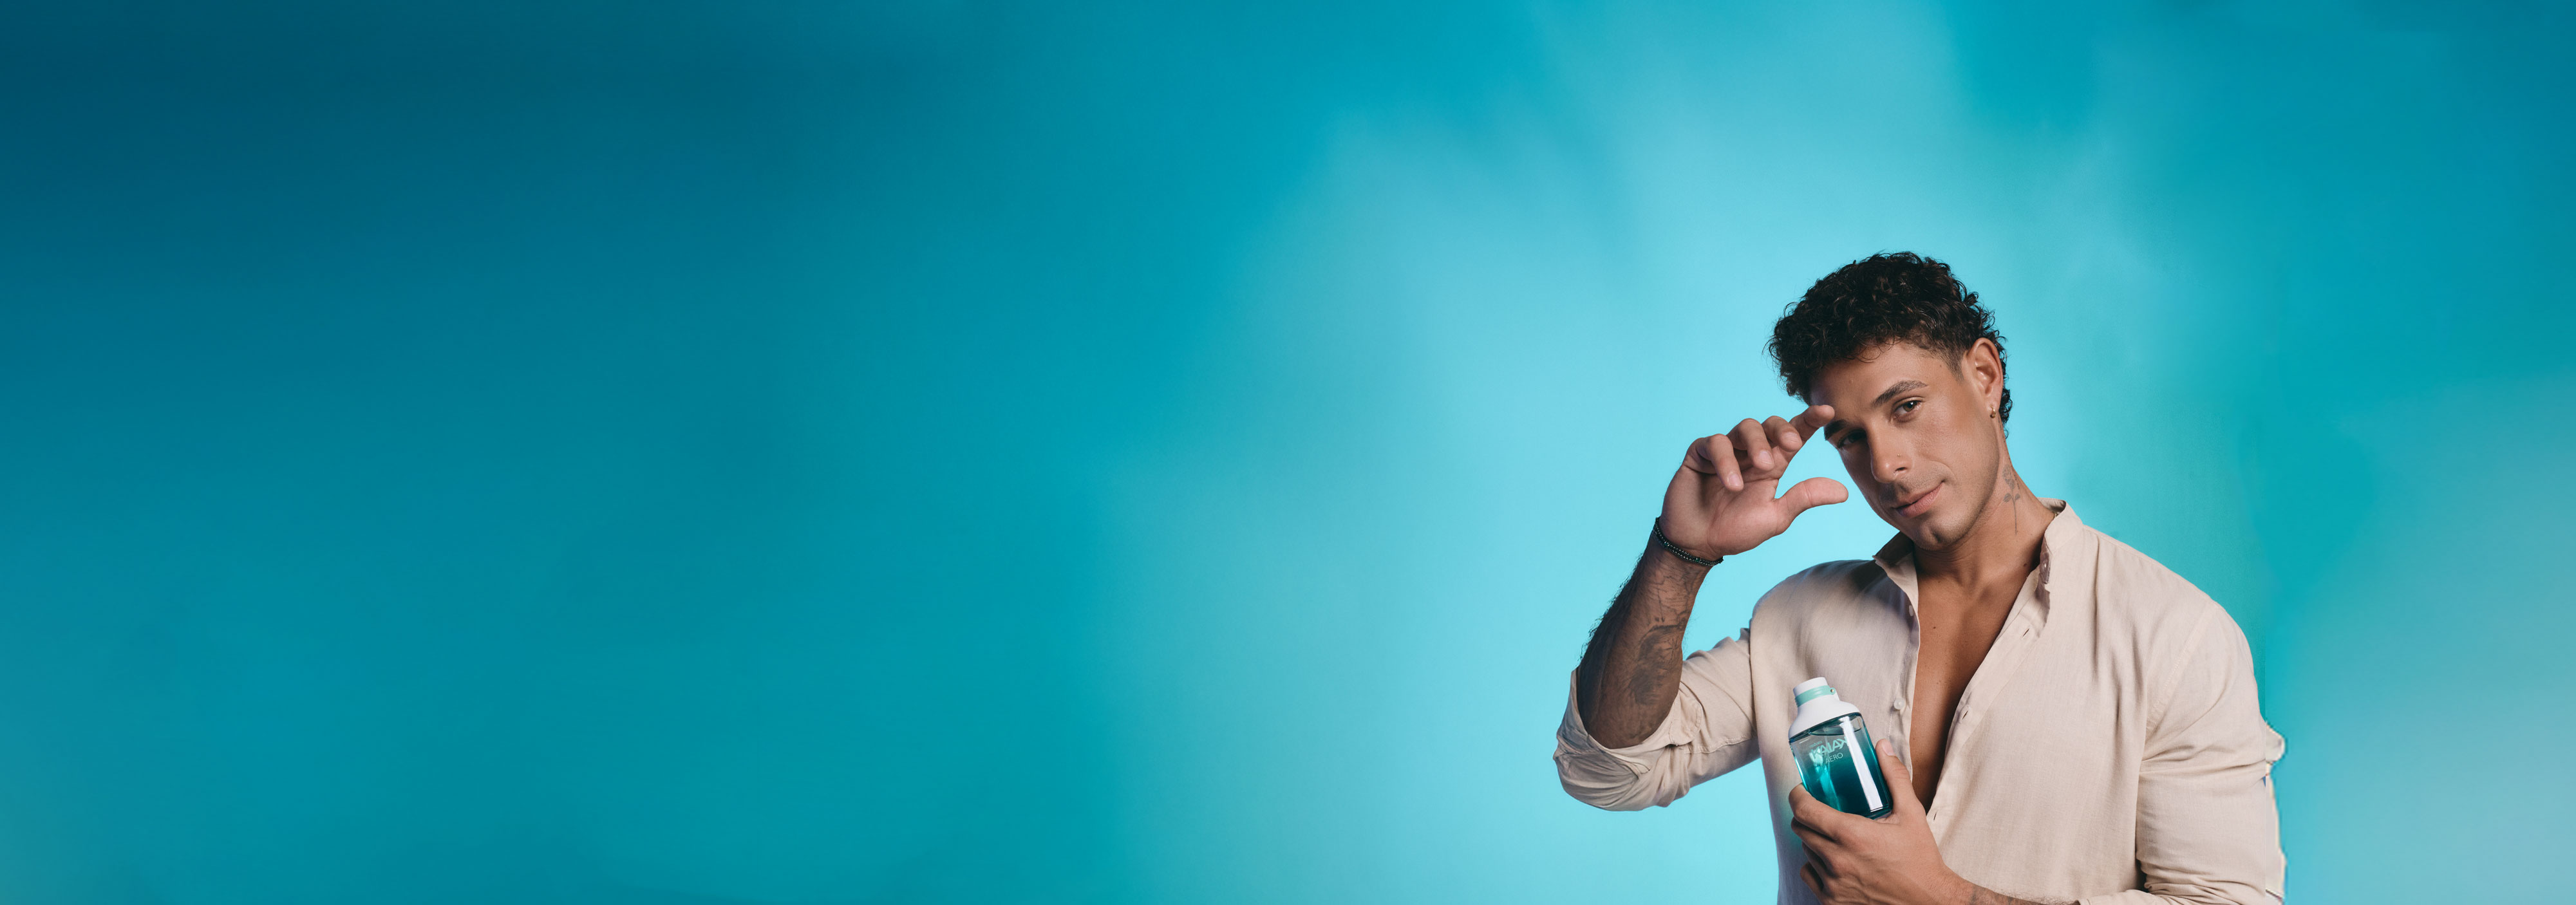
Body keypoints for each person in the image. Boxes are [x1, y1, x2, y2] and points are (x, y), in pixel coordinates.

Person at [1554, 253, 2284, 905]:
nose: (1886, 465)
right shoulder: (1799, 616)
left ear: (1984, 375)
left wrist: (1940, 897)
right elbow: (1609, 769)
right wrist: (1679, 554)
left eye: (1905, 407)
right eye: (1850, 438)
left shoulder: (2173, 636)